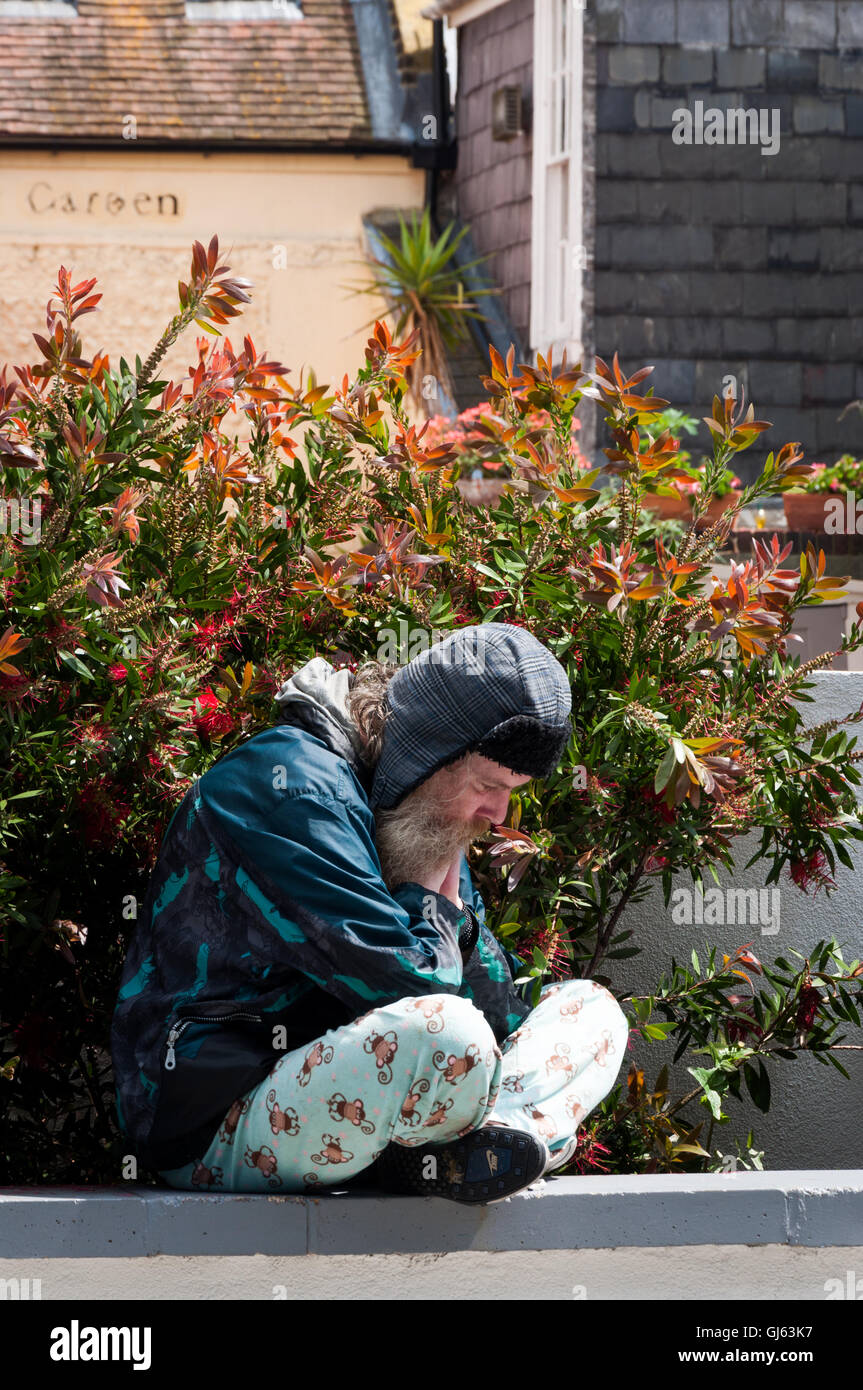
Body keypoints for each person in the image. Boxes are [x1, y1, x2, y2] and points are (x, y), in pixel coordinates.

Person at [110, 623, 629, 1204]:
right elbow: (410, 985)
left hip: (360, 1113)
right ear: (429, 753)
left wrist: (452, 917)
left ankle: (477, 1145)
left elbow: (503, 1015)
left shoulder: (414, 814)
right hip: (217, 1122)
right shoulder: (292, 789)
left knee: (592, 1011)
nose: (499, 812)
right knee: (444, 1032)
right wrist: (435, 907)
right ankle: (450, 1152)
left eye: (514, 790)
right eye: (489, 784)